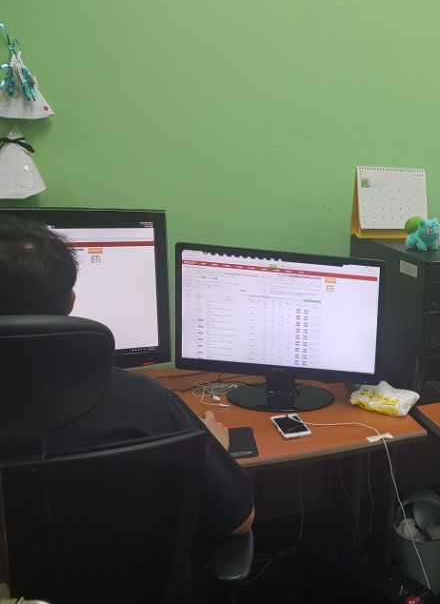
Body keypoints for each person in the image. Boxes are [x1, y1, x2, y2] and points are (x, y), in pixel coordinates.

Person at [0, 214, 255, 539]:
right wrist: (209, 447)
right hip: (134, 572)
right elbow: (240, 521)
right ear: (71, 302)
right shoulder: (145, 401)